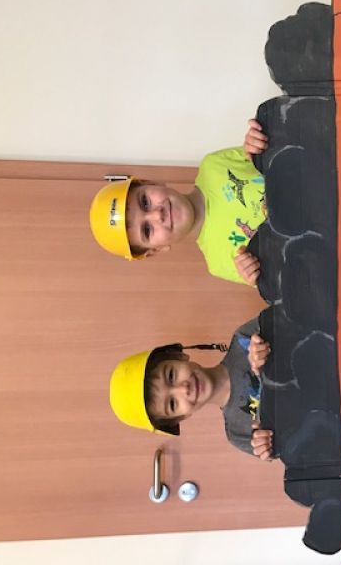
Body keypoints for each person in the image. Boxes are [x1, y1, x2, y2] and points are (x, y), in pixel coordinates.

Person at [89, 120, 268, 285]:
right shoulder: (219, 263)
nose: (157, 214)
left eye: (145, 202)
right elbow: (279, 281)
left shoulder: (214, 164)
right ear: (156, 250)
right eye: (147, 230)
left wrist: (256, 141)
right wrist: (258, 274)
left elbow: (268, 152)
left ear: (151, 183)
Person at [109, 318, 275, 459]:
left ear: (178, 356)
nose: (183, 389)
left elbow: (288, 315)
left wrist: (269, 349)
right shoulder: (237, 433)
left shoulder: (244, 340)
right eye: (172, 403)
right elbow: (285, 450)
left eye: (171, 375)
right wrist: (269, 445)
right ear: (181, 417)